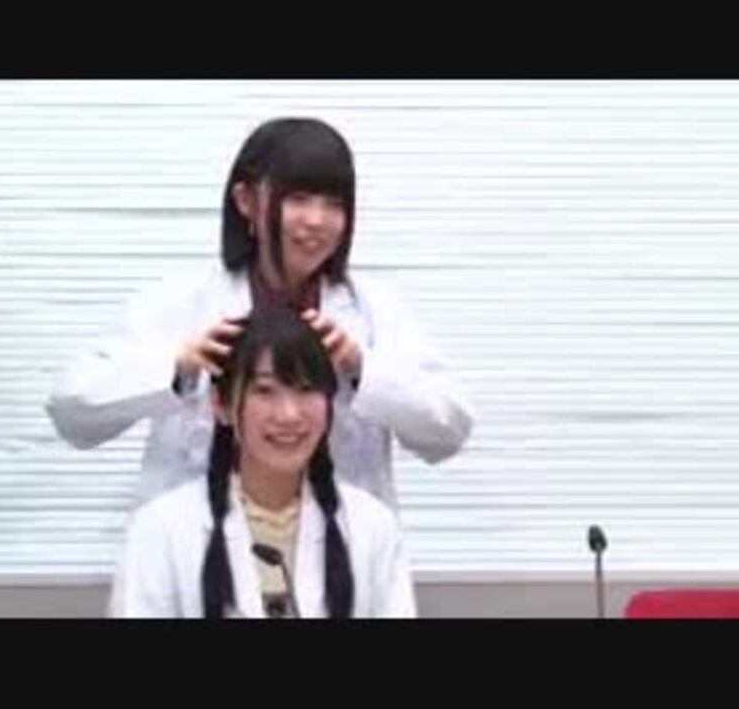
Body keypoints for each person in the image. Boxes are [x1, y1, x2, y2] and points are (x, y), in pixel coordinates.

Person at [47, 117, 474, 508]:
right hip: (199, 550)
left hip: (338, 549)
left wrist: (362, 370)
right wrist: (176, 368)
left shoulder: (374, 311)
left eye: (334, 203)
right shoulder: (180, 302)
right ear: (246, 200)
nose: (317, 220)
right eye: (298, 198)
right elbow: (71, 412)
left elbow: (449, 430)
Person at [108, 307, 416, 618]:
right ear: (221, 404)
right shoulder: (161, 529)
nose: (289, 415)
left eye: (307, 389)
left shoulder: (373, 528)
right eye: (265, 390)